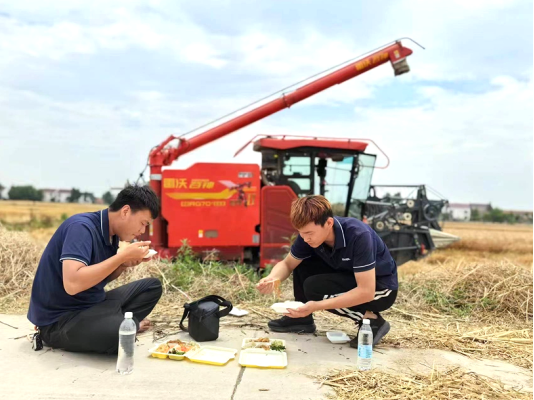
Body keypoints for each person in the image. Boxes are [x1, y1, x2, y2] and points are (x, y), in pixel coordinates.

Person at [27, 185, 163, 354]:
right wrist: (120, 257)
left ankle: (120, 324)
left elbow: (95, 280)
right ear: (126, 211)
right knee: (117, 337)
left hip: (91, 305)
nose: (142, 231)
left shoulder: (111, 235)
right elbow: (73, 284)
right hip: (61, 319)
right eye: (143, 224)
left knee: (152, 287)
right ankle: (124, 325)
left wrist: (122, 265)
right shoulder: (81, 228)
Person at [256, 195, 398, 348]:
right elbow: (288, 264)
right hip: (350, 277)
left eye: (309, 233)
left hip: (380, 289)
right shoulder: (308, 236)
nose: (305, 239)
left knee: (314, 288)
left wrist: (316, 305)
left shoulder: (358, 235)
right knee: (303, 264)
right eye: (301, 233)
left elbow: (366, 291)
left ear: (329, 223)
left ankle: (371, 320)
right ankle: (300, 320)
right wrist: (272, 278)